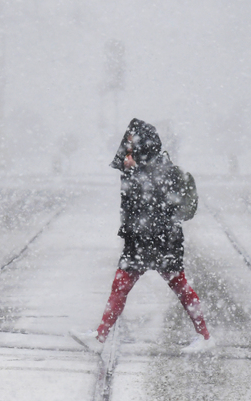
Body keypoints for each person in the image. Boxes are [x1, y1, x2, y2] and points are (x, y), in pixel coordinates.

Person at [84, 118, 214, 353]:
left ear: (143, 148)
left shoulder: (150, 173)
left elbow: (151, 207)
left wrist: (132, 173)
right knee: (126, 286)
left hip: (156, 241)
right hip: (150, 241)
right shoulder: (141, 171)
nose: (127, 151)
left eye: (132, 146)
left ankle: (204, 336)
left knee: (175, 286)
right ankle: (100, 336)